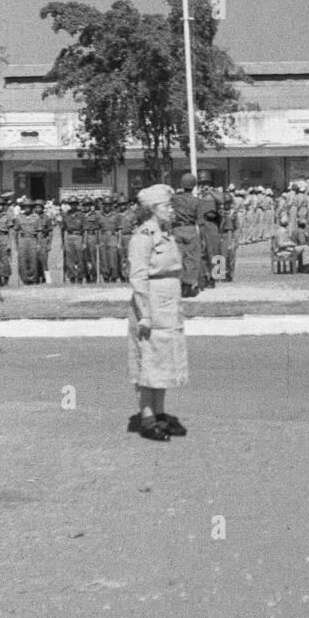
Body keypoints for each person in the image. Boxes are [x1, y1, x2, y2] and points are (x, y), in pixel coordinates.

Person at [127, 183, 188, 441]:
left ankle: (161, 414)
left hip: (169, 304)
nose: (171, 210)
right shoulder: (143, 236)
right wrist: (145, 314)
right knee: (149, 360)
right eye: (167, 206)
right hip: (151, 305)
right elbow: (138, 277)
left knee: (164, 359)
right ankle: (148, 418)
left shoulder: (166, 233)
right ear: (153, 209)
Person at [172, 173, 203, 297]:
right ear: (194, 186)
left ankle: (178, 284)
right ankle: (188, 285)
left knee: (177, 258)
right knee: (191, 259)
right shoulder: (197, 201)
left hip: (178, 229)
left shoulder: (176, 198)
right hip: (191, 229)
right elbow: (200, 220)